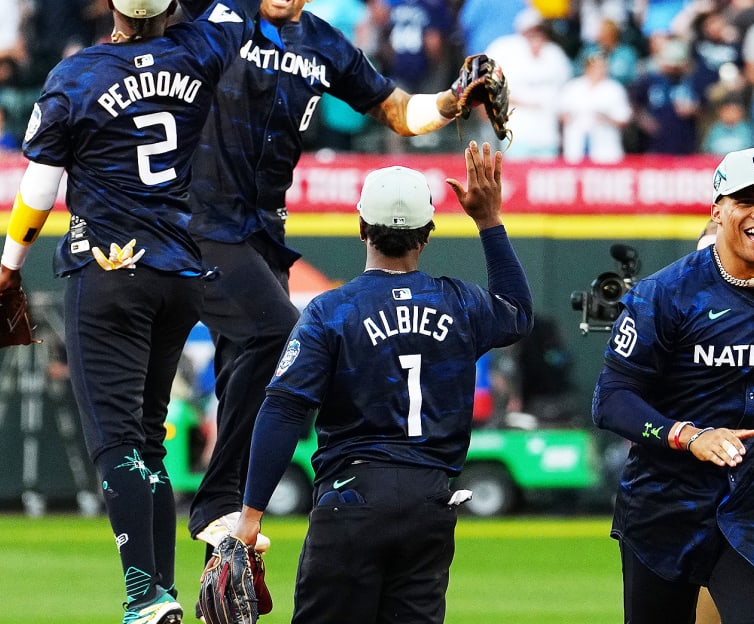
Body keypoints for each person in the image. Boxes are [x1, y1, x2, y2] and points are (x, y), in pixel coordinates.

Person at [149, 0, 478, 552]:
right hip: (200, 220)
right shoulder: (223, 5)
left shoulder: (326, 42)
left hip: (259, 230)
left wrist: (454, 102)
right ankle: (216, 503)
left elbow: (402, 115)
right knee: (274, 334)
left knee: (248, 367)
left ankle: (216, 516)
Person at [0, 0, 289, 623]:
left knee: (121, 441)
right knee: (152, 436)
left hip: (108, 270)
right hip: (185, 270)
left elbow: (39, 190)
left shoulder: (76, 76)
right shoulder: (203, 45)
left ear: (109, 2)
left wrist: (7, 269)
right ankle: (186, 557)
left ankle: (144, 594)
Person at [228, 143, 533, 623]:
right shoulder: (459, 303)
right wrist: (489, 222)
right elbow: (517, 314)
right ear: (427, 235)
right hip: (429, 501)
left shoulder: (332, 311)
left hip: (352, 496)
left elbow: (284, 410)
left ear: (361, 227)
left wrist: (250, 515)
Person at [592, 147, 754, 624]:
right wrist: (689, 435)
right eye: (745, 199)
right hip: (666, 507)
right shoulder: (663, 294)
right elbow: (610, 400)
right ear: (717, 210)